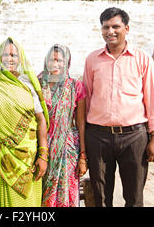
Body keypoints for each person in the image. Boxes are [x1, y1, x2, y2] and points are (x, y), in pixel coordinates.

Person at [83, 7, 154, 207]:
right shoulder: (92, 59)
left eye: (115, 26)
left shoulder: (142, 59)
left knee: (134, 196)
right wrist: (83, 140)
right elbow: (85, 99)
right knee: (101, 197)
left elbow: (152, 100)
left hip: (134, 136)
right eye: (105, 27)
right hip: (98, 136)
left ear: (126, 28)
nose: (110, 31)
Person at [0, 37, 49, 207]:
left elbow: (41, 119)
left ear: (20, 58)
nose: (9, 59)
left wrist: (43, 154)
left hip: (28, 157)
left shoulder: (28, 83)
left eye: (13, 55)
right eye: (5, 55)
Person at [38, 44, 87, 207]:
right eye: (52, 59)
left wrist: (83, 156)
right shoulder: (38, 83)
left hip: (68, 151)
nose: (55, 64)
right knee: (42, 193)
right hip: (43, 148)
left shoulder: (75, 86)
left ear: (67, 62)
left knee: (66, 194)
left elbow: (80, 123)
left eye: (60, 60)